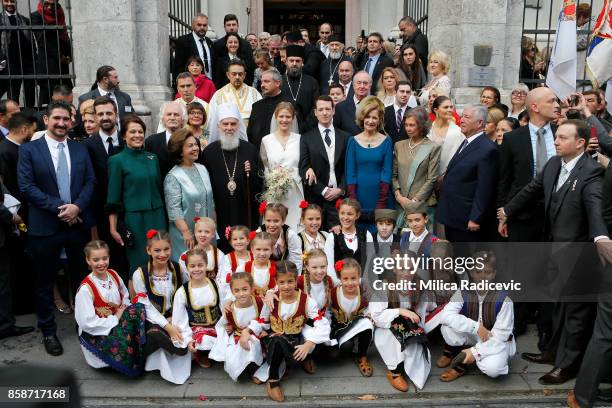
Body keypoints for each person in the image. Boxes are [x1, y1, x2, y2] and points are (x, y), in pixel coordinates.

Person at [499, 120, 608, 386]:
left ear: (580, 143)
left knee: (575, 314)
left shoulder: (591, 172)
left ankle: (568, 365)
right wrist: (506, 212)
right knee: (556, 307)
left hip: (579, 255)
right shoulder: (552, 165)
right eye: (556, 137)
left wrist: (601, 236)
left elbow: (595, 207)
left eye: (562, 138)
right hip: (552, 249)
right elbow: (530, 190)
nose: (556, 141)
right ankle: (553, 353)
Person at [18, 100, 95, 356]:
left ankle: (85, 326)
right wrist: (63, 208)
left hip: (77, 224)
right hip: (45, 226)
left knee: (82, 279)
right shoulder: (29, 151)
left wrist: (78, 207)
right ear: (46, 120)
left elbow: (90, 183)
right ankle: (48, 331)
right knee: (44, 281)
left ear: (72, 122)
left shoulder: (80, 149)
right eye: (57, 119)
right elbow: (27, 188)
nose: (62, 123)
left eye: (66, 119)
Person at [251, 260, 331, 402]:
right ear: (276, 281)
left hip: (295, 343)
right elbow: (262, 321)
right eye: (282, 282)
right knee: (276, 340)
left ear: (296, 280)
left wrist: (309, 343)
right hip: (273, 341)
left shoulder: (307, 301)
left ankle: (304, 358)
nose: (286, 286)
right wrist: (248, 331)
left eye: (290, 281)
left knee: (311, 339)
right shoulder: (272, 299)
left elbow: (322, 324)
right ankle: (273, 380)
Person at [438, 251, 516, 382]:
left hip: (496, 341)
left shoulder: (504, 300)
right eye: (478, 272)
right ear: (472, 273)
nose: (482, 277)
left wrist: (475, 352)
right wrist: (475, 326)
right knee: (447, 327)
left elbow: (501, 336)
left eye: (487, 272)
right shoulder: (463, 292)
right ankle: (464, 355)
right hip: (475, 334)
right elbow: (445, 316)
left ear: (494, 274)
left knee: (494, 369)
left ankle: (467, 359)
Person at [75, 240, 147, 377]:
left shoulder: (113, 274)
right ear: (88, 260)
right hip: (98, 330)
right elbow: (86, 323)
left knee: (139, 308)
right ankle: (126, 363)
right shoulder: (85, 289)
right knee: (122, 340)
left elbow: (125, 294)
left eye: (104, 258)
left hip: (118, 317)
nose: (101, 263)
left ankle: (141, 352)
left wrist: (123, 308)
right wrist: (116, 318)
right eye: (96, 260)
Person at [107, 115, 167, 273]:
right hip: (134, 220)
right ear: (124, 136)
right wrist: (113, 229)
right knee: (139, 265)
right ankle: (138, 298)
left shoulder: (152, 158)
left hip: (158, 216)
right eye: (132, 131)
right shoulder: (117, 160)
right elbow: (113, 198)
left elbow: (159, 189)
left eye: (140, 131)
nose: (137, 135)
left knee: (160, 261)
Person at [200, 103, 263, 252]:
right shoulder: (209, 152)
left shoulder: (249, 149)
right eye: (225, 124)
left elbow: (259, 182)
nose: (229, 127)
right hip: (220, 209)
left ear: (238, 125)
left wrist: (251, 172)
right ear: (219, 125)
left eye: (233, 124)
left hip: (244, 208)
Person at [131, 230, 191, 384]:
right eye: (157, 250)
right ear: (148, 250)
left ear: (171, 248)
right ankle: (170, 348)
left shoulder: (178, 269)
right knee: (154, 333)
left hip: (176, 315)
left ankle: (181, 349)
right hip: (153, 318)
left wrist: (174, 318)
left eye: (166, 249)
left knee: (185, 330)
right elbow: (146, 306)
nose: (162, 254)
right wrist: (167, 326)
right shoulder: (141, 274)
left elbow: (186, 293)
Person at [436, 104, 498, 243]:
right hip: (453, 214)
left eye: (467, 117)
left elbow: (485, 188)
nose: (461, 120)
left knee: (464, 259)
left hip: (467, 219)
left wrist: (475, 218)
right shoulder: (467, 142)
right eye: (462, 116)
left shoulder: (487, 149)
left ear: (480, 123)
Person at [370, 252, 432, 391]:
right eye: (402, 268)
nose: (406, 273)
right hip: (386, 326)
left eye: (410, 269)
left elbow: (422, 310)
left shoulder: (419, 285)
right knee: (393, 341)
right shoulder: (384, 286)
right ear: (394, 268)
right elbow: (376, 316)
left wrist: (419, 329)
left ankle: (409, 366)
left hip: (409, 325)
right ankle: (394, 371)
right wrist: (400, 311)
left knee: (415, 344)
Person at [82, 97, 126, 272]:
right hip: (101, 214)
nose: (105, 117)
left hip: (128, 211)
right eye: (100, 114)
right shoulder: (86, 146)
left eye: (109, 113)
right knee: (107, 261)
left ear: (116, 114)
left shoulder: (128, 140)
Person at [299, 95, 349, 229]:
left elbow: (348, 167)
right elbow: (303, 168)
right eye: (321, 109)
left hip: (340, 199)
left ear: (333, 111)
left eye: (328, 109)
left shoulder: (345, 137)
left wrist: (341, 189)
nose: (325, 113)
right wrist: (323, 190)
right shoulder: (306, 138)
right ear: (315, 112)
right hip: (316, 198)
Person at [164, 128, 215, 260]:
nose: (196, 148)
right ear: (180, 150)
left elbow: (210, 200)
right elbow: (174, 209)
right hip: (186, 235)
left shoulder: (202, 168)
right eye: (190, 146)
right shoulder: (173, 176)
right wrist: (186, 233)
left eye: (196, 144)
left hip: (206, 232)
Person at [345, 96, 393, 232]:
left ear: (380, 120)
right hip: (359, 195)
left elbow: (387, 170)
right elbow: (350, 171)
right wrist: (353, 198)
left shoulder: (387, 141)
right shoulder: (352, 141)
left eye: (374, 118)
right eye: (367, 117)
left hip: (380, 196)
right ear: (362, 118)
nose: (370, 121)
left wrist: (381, 200)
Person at [208, 272, 265, 381]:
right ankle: (244, 367)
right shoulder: (230, 309)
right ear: (232, 291)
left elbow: (265, 319)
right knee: (233, 361)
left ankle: (255, 367)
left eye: (245, 289)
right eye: (237, 290)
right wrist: (228, 329)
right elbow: (221, 325)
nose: (241, 294)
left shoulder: (259, 302)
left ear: (251, 288)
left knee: (251, 344)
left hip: (258, 336)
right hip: (237, 337)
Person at [172, 247, 221, 369]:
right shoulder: (182, 292)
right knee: (203, 341)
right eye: (192, 266)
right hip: (196, 329)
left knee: (228, 340)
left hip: (216, 327)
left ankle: (216, 350)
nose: (197, 269)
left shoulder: (215, 284)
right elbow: (180, 319)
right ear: (187, 268)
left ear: (206, 265)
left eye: (200, 265)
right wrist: (188, 339)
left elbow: (223, 307)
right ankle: (202, 353)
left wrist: (226, 324)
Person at [393, 107, 440, 228]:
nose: (408, 128)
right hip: (401, 204)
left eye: (412, 125)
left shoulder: (433, 147)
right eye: (406, 125)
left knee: (422, 245)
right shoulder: (399, 145)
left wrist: (414, 202)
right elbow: (394, 175)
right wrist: (399, 197)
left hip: (423, 206)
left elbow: (432, 179)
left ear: (422, 126)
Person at [260, 102, 303, 230]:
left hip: (295, 189)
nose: (284, 120)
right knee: (274, 225)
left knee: (295, 225)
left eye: (288, 117)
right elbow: (265, 165)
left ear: (293, 118)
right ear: (276, 117)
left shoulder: (300, 139)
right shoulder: (266, 140)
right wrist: (274, 180)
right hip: (275, 191)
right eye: (281, 116)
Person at [328, 258, 374, 375]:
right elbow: (327, 313)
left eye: (353, 278)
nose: (350, 283)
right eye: (345, 279)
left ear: (359, 277)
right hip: (340, 330)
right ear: (340, 278)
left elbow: (370, 309)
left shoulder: (364, 292)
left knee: (367, 323)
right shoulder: (333, 293)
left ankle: (362, 355)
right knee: (345, 348)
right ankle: (352, 346)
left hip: (358, 327)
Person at [30, 0, 72, 106]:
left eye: (52, 4)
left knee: (66, 94)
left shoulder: (59, 14)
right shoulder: (36, 16)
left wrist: (69, 55)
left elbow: (64, 36)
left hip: (62, 63)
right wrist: (59, 56)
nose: (49, 7)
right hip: (48, 63)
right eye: (46, 4)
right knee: (47, 96)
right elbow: (42, 40)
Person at [0, 0, 36, 107]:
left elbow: (32, 42)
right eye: (7, 1)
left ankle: (29, 115)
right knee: (13, 94)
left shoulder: (25, 20)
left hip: (28, 63)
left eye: (12, 1)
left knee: (30, 93)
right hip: (10, 63)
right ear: (2, 1)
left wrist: (35, 59)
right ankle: (13, 118)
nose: (10, 4)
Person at [247, 68, 293, 150]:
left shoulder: (289, 104)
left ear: (278, 83)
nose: (262, 85)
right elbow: (250, 133)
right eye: (261, 82)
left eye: (266, 81)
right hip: (258, 154)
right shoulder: (256, 106)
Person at [209, 59, 262, 129]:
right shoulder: (219, 95)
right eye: (234, 74)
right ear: (228, 75)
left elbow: (261, 116)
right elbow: (212, 118)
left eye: (240, 74)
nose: (237, 77)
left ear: (244, 75)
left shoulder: (254, 93)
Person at [281, 44, 319, 132]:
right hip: (284, 128)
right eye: (291, 60)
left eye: (298, 61)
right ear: (286, 61)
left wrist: (304, 126)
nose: (294, 64)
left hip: (308, 130)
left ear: (302, 63)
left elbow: (316, 106)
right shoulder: (279, 81)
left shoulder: (312, 82)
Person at [146, 101, 186, 180]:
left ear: (183, 119)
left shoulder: (191, 141)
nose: (172, 117)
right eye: (169, 114)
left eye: (176, 114)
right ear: (163, 119)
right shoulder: (151, 141)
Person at [258, 203, 303, 272]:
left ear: (283, 221)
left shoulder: (290, 235)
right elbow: (255, 256)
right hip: (264, 270)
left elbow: (296, 260)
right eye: (268, 220)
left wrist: (293, 277)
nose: (272, 225)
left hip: (285, 272)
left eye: (276, 221)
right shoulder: (259, 233)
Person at [428, 95, 464, 175]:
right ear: (436, 110)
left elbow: (458, 158)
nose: (450, 110)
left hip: (448, 176)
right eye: (446, 107)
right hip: (426, 176)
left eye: (451, 107)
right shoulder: (428, 129)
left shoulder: (457, 132)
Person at [174, 13, 214, 83]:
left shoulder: (210, 43)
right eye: (199, 25)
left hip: (210, 85)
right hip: (192, 85)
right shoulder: (183, 41)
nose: (202, 27)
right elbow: (178, 67)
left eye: (204, 25)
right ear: (193, 26)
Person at [333, 71, 372, 135]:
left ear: (370, 85)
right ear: (353, 85)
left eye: (365, 83)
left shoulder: (376, 105)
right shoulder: (340, 107)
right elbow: (337, 133)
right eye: (359, 83)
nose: (362, 86)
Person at [333, 198, 367, 265]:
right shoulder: (333, 236)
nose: (345, 217)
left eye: (350, 214)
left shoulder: (366, 234)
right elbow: (329, 264)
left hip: (362, 275)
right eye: (342, 213)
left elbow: (370, 261)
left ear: (357, 215)